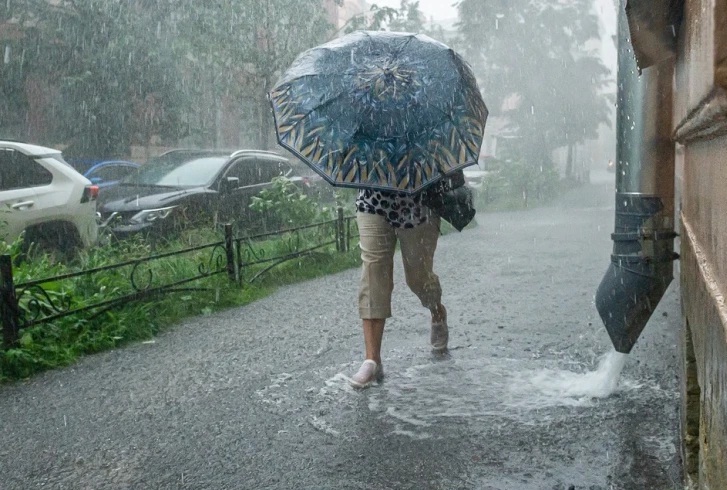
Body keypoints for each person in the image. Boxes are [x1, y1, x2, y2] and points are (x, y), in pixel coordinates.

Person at [348, 187, 448, 389]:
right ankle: (372, 360)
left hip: (419, 202)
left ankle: (437, 311)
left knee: (418, 277)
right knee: (373, 270)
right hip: (373, 199)